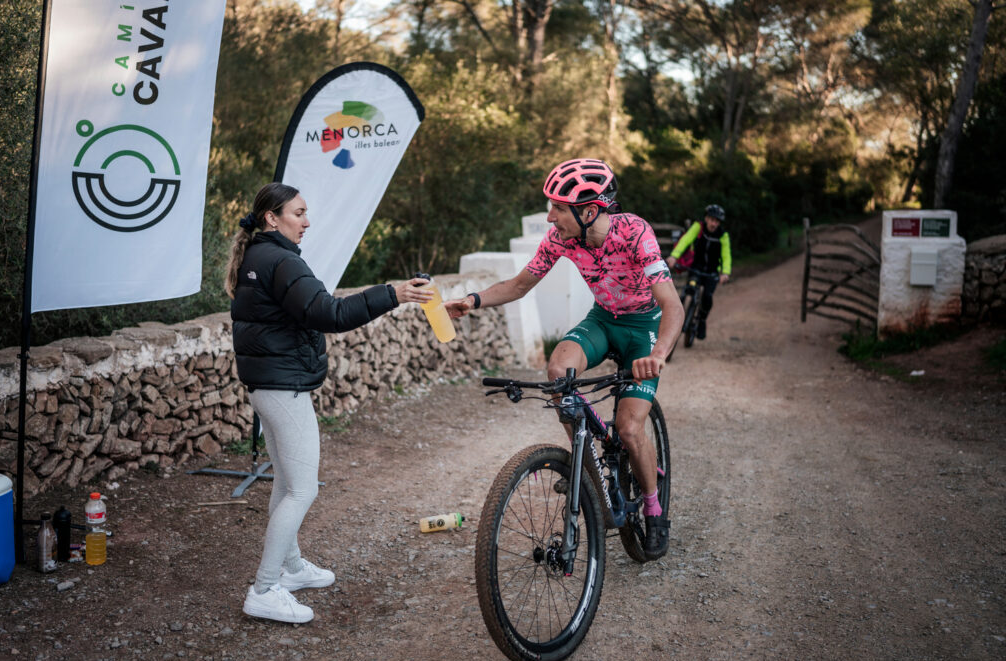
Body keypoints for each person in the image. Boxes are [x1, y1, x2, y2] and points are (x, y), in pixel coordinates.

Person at [446, 159, 683, 559]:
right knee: (558, 371)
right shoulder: (562, 238)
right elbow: (520, 284)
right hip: (603, 319)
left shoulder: (635, 233)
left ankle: (654, 508)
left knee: (628, 429)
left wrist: (658, 355)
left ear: (589, 211)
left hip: (643, 327)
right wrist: (473, 300)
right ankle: (586, 464)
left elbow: (672, 305)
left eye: (557, 207)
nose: (550, 215)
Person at [225, 182, 432, 623]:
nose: (307, 221)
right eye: (298, 213)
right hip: (283, 388)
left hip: (270, 385)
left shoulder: (260, 256)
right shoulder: (279, 259)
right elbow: (330, 314)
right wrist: (393, 293)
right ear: (271, 219)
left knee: (286, 483)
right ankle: (264, 589)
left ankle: (291, 567)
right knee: (301, 488)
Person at [666, 204, 731, 340]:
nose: (714, 224)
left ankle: (701, 321)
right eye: (712, 220)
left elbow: (726, 255)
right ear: (706, 218)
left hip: (712, 273)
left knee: (707, 297)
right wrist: (674, 256)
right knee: (688, 289)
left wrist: (725, 272)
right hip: (696, 268)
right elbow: (685, 241)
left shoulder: (723, 235)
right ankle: (677, 315)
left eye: (717, 221)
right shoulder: (698, 227)